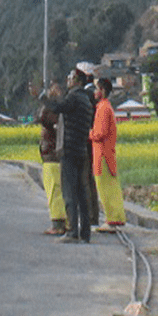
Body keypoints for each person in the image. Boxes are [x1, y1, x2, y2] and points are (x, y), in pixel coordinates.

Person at [54, 65, 96, 243]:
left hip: (69, 150)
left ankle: (72, 231)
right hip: (81, 150)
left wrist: (46, 96)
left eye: (70, 78)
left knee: (69, 191)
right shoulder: (86, 100)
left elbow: (57, 107)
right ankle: (85, 232)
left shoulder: (73, 97)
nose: (67, 81)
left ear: (77, 81)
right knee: (81, 193)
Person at [91, 76, 125, 232]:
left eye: (97, 89)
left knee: (105, 188)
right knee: (109, 187)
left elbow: (100, 133)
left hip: (102, 154)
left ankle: (112, 219)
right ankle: (114, 218)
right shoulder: (106, 107)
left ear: (102, 91)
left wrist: (89, 133)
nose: (95, 92)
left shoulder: (103, 108)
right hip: (105, 153)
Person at [33, 78, 67, 235]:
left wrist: (43, 100)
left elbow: (43, 120)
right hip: (51, 155)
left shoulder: (53, 111)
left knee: (54, 190)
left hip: (52, 156)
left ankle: (58, 223)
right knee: (56, 189)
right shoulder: (58, 110)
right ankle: (62, 221)